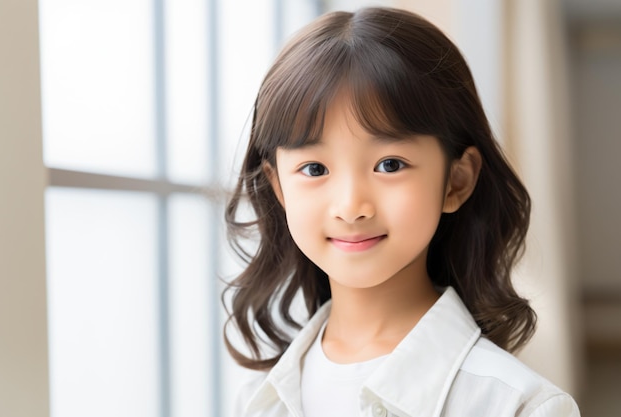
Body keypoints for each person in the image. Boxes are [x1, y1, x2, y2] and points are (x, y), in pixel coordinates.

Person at [223, 6, 580, 417]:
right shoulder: (254, 401)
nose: (352, 207)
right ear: (279, 186)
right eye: (315, 169)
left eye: (389, 164)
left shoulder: (517, 405)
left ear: (456, 180)